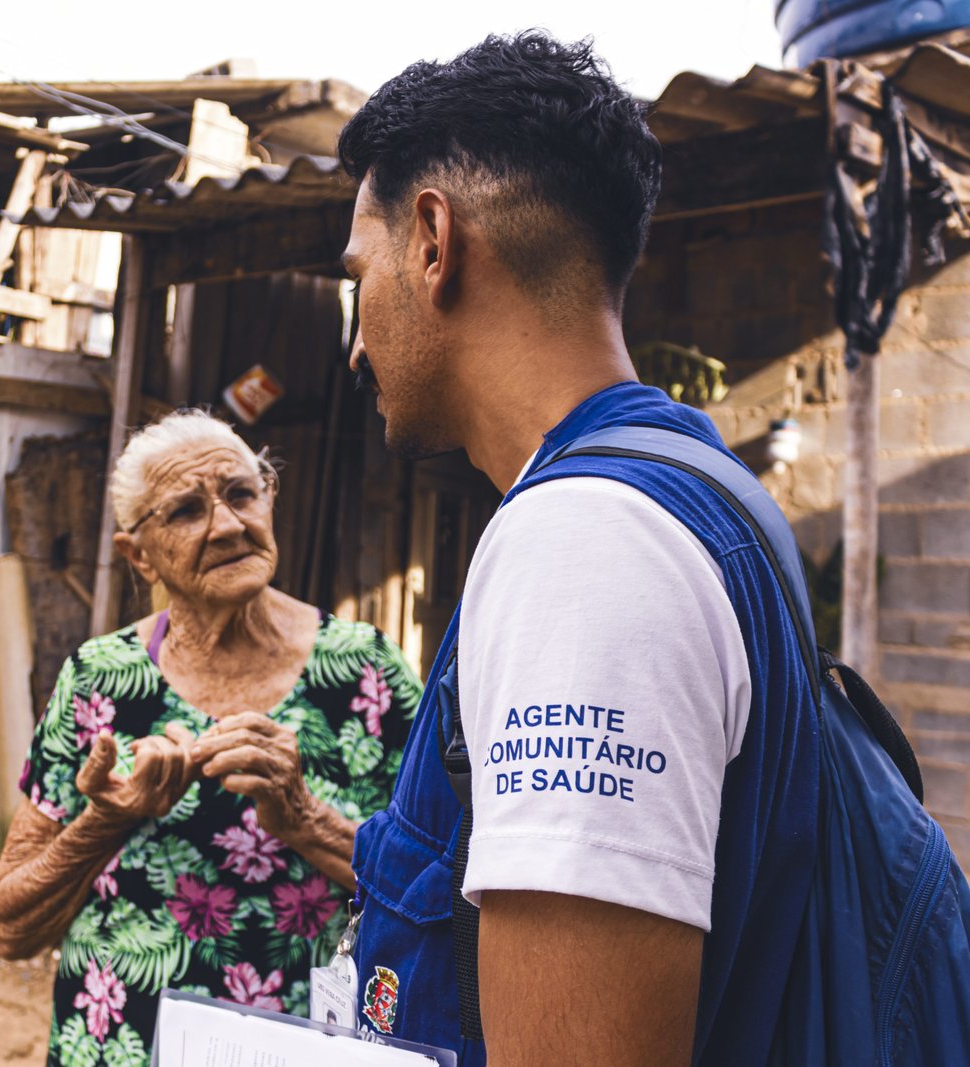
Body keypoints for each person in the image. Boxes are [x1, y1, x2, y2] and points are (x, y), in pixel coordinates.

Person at [334, 31, 812, 1066]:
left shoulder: (583, 546)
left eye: (355, 279)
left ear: (430, 240)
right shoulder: (696, 480)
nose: (356, 340)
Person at [0, 410, 419, 1066]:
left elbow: (440, 890)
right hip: (121, 1044)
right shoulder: (100, 680)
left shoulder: (366, 673)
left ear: (269, 500)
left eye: (242, 493)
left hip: (307, 1047)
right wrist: (105, 822)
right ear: (138, 553)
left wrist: (304, 819)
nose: (227, 524)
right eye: (187, 510)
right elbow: (9, 926)